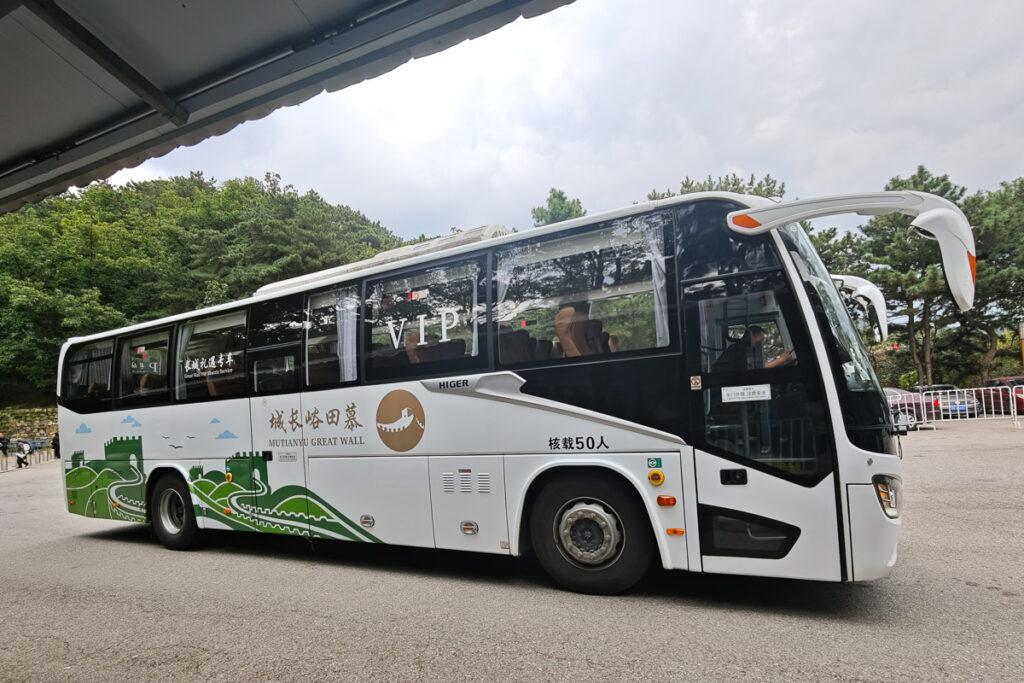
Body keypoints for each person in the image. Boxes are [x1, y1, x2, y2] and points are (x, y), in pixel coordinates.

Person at [712, 325, 793, 373]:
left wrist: (781, 359)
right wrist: (782, 359)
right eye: (761, 339)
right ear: (754, 336)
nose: (761, 343)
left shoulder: (739, 346)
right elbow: (760, 367)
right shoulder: (743, 348)